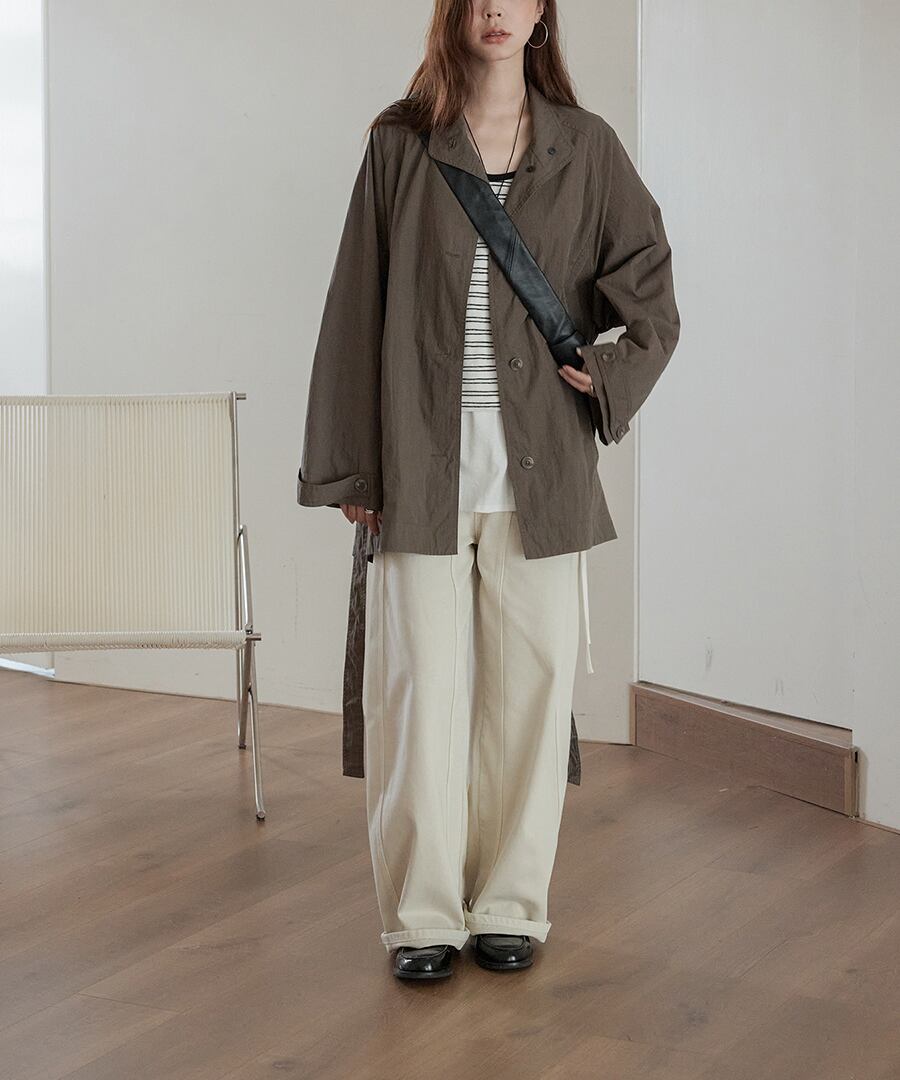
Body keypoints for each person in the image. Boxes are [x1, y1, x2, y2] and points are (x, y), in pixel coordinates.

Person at [296, 0, 680, 981]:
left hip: (540, 470)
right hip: (416, 468)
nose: (496, 8)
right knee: (417, 698)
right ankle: (420, 917)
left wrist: (610, 370)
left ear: (543, 10)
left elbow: (651, 290)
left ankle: (510, 904)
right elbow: (354, 306)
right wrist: (352, 467)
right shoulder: (400, 144)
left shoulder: (586, 148)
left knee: (528, 700)